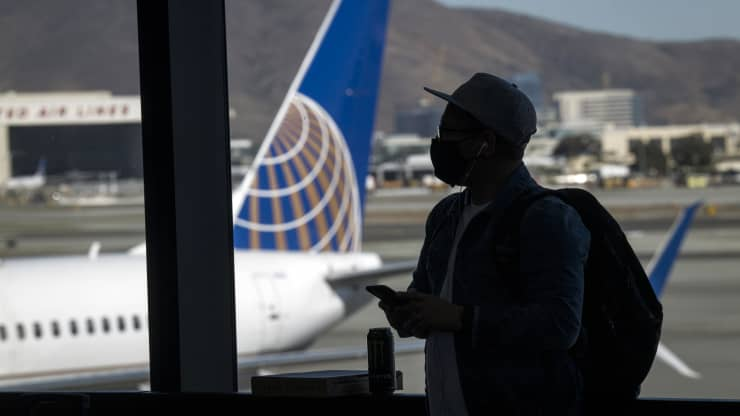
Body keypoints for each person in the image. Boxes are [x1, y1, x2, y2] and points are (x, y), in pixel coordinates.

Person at [379, 73, 591, 415]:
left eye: (449, 134)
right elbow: (430, 302)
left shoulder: (545, 219)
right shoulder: (446, 215)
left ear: (485, 144)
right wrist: (410, 313)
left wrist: (460, 318)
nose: (438, 143)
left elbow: (560, 325)